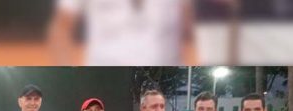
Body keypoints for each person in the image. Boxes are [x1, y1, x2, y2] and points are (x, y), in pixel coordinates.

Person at [48, 0, 196, 65]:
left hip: (166, 62)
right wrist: (64, 67)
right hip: (106, 65)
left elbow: (187, 28)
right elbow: (62, 28)